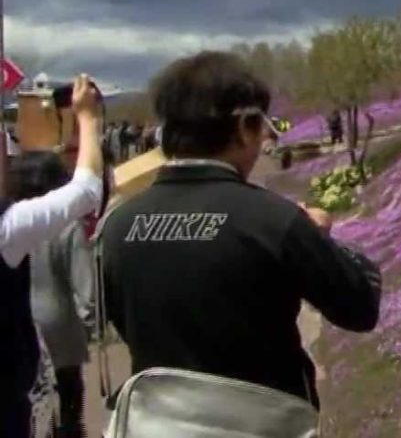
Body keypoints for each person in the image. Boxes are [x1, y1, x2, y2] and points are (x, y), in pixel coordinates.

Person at [99, 51, 381, 413]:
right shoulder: (274, 220)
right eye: (263, 123)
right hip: (261, 421)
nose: (266, 135)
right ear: (245, 125)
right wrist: (319, 237)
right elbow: (359, 308)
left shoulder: (117, 226)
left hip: (156, 422)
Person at [1, 75, 103, 438]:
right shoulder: (13, 226)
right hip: (45, 344)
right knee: (67, 406)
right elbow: (87, 189)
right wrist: (89, 119)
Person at [23, 152, 96, 438]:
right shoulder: (66, 224)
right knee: (68, 401)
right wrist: (88, 328)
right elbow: (85, 289)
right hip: (60, 326)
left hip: (21, 323)